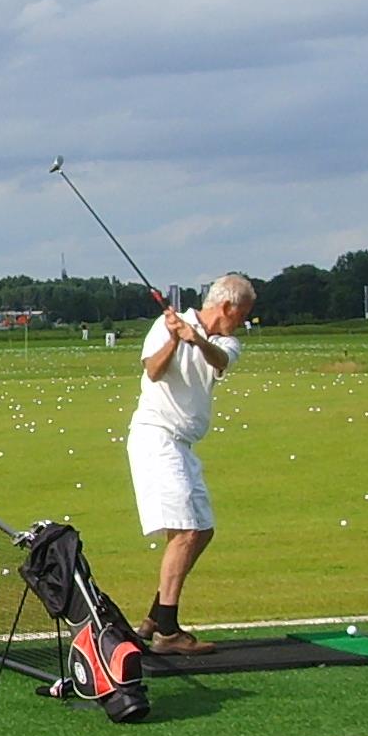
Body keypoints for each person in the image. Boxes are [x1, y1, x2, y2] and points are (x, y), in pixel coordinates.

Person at [123, 273, 253, 655]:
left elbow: (221, 359)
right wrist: (175, 341)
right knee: (184, 532)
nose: (243, 321)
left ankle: (153, 618)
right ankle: (167, 630)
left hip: (183, 445)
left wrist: (194, 338)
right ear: (227, 306)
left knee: (203, 530)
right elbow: (152, 370)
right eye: (242, 313)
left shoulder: (225, 340)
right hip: (157, 437)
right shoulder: (164, 326)